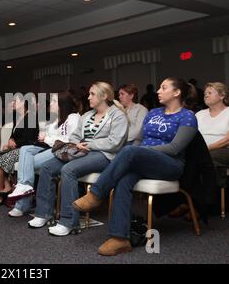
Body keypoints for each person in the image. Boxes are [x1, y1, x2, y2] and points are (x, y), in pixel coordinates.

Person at [73, 77, 197, 256]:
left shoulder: (187, 116)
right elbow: (138, 139)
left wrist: (141, 152)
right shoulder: (154, 113)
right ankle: (119, 239)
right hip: (144, 160)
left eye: (163, 88)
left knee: (130, 151)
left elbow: (174, 148)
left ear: (177, 93)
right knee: (124, 179)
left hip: (170, 164)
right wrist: (139, 152)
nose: (158, 91)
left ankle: (96, 194)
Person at [27, 82, 128, 236]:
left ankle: (68, 222)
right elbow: (74, 136)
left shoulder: (117, 115)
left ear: (105, 96)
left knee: (68, 170)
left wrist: (89, 144)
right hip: (80, 151)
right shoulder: (87, 115)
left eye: (92, 94)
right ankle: (43, 214)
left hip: (105, 154)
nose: (88, 97)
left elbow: (115, 142)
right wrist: (76, 144)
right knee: (47, 167)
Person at [7, 92, 80, 217]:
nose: (50, 104)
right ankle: (23, 187)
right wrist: (46, 138)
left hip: (62, 151)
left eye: (53, 101)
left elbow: (67, 141)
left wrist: (46, 138)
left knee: (26, 165)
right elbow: (48, 137)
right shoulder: (55, 119)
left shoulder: (73, 118)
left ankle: (22, 202)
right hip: (50, 148)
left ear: (62, 104)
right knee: (25, 149)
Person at [0, 95, 39, 206]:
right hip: (16, 149)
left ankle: (1, 191)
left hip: (25, 150)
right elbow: (13, 135)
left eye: (15, 101)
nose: (12, 103)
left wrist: (14, 144)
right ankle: (6, 187)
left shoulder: (31, 117)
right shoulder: (18, 117)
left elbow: (29, 139)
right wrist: (10, 141)